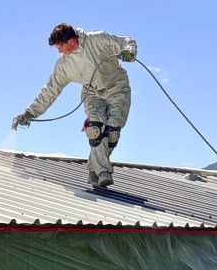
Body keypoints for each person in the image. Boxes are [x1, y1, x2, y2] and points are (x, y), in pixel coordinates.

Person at [12, 22, 137, 187]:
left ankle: (94, 168)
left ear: (71, 41)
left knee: (112, 131)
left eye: (60, 47)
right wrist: (30, 113)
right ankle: (103, 172)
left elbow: (126, 41)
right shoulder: (63, 65)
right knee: (94, 129)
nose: (59, 51)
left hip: (117, 86)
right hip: (91, 92)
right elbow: (50, 90)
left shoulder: (97, 39)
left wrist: (129, 51)